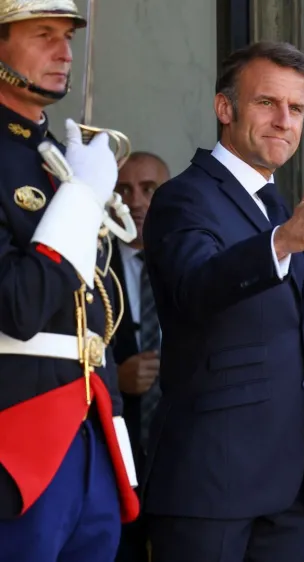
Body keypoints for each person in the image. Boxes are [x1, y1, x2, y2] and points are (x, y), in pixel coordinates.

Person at [141, 41, 304, 561]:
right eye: (266, 103)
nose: (284, 120)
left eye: (296, 109)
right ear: (224, 108)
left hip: (285, 493)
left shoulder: (278, 203)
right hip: (212, 484)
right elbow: (194, 287)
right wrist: (280, 243)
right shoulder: (184, 195)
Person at [0, 1, 140, 560]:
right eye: (42, 35)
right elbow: (19, 304)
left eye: (67, 37)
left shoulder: (58, 156)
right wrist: (81, 199)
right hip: (17, 434)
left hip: (88, 430)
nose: (63, 52)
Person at [110, 151, 170, 562]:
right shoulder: (91, 266)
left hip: (184, 457)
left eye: (150, 189)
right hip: (117, 461)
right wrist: (114, 379)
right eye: (124, 190)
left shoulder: (195, 262)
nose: (136, 201)